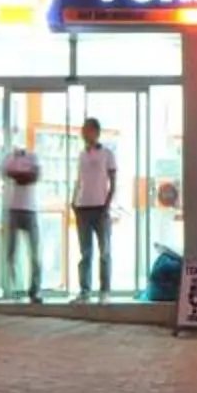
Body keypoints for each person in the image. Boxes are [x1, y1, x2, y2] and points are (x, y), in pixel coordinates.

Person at [71, 117, 118, 300]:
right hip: (82, 207)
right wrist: (73, 201)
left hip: (100, 208)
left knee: (104, 251)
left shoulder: (107, 153)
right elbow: (79, 180)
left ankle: (104, 290)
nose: (83, 133)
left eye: (87, 130)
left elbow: (113, 181)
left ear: (96, 132)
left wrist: (107, 204)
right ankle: (85, 290)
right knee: (85, 252)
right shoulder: (82, 154)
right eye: (83, 130)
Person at [0, 137, 43, 304]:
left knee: (35, 254)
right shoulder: (9, 158)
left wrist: (18, 176)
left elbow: (34, 176)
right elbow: (7, 173)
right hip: (13, 209)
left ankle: (34, 290)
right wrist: (23, 175)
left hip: (31, 209)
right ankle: (15, 288)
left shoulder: (33, 157)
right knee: (11, 252)